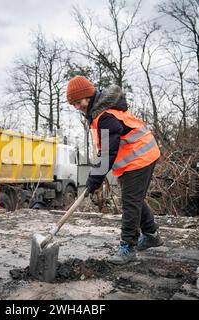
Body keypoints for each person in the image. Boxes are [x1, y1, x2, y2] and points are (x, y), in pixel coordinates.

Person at [66, 75, 164, 264]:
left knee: (130, 202)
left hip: (140, 157)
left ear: (88, 95)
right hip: (134, 158)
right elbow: (106, 150)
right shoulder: (98, 113)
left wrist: (94, 179)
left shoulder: (105, 116)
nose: (77, 107)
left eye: (78, 102)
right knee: (134, 199)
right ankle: (151, 234)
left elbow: (108, 153)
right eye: (74, 105)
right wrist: (96, 177)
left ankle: (128, 247)